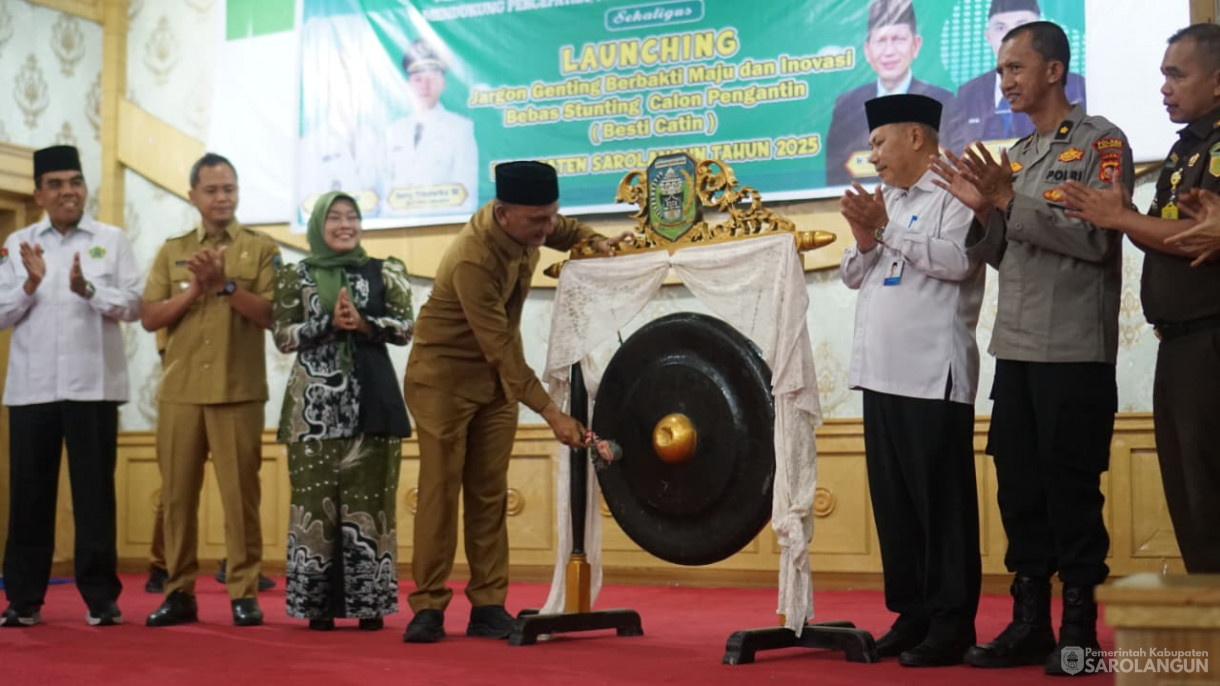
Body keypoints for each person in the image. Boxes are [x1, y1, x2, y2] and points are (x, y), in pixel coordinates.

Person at [930, 21, 1131, 675]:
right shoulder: (1014, 155)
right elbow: (998, 255)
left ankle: (1079, 632)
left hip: (1072, 350)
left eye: (1016, 68)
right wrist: (986, 213)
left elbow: (1098, 239)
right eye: (1000, 70)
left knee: (1070, 493)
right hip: (1014, 348)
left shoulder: (1101, 142)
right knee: (1018, 492)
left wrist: (1008, 201)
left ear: (1053, 70)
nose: (1005, 81)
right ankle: (1028, 623)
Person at [401, 161, 629, 643]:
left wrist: (596, 242)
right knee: (441, 492)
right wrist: (551, 412)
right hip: (443, 380)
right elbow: (499, 346)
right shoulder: (472, 258)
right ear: (503, 214)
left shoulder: (532, 225)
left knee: (488, 494)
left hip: (496, 385)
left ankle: (487, 604)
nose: (547, 230)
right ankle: (428, 606)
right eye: (537, 222)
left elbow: (569, 232)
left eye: (551, 217)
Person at [1056, 23, 1220, 574]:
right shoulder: (1184, 150)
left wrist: (1120, 217)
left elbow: (1202, 239)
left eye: (1177, 74)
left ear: (1217, 82)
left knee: (1210, 493)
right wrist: (1128, 217)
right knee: (1189, 492)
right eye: (1162, 75)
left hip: (1210, 340)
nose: (1164, 87)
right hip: (1178, 343)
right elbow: (1170, 231)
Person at [839, 94, 985, 667]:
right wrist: (867, 235)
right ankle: (912, 614)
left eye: (879, 142)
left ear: (916, 139)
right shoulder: (888, 201)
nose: (872, 155)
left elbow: (957, 262)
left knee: (940, 509)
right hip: (880, 375)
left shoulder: (955, 191)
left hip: (932, 376)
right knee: (895, 507)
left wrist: (888, 231)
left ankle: (952, 624)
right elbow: (856, 276)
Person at [0, 145, 142, 628]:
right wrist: (29, 286)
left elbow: (134, 305)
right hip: (32, 391)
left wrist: (89, 291)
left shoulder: (111, 239)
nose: (68, 191)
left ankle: (101, 597)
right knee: (28, 496)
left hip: (94, 389)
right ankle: (23, 600)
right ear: (39, 193)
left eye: (75, 182)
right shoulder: (19, 243)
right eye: (56, 184)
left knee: (95, 497)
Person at [141, 153, 281, 628]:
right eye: (212, 190)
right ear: (193, 196)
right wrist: (193, 290)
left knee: (241, 498)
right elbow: (149, 317)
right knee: (177, 499)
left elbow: (270, 315)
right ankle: (178, 591)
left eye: (230, 189)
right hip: (179, 392)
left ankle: (243, 591)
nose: (222, 198)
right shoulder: (172, 249)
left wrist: (224, 286)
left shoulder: (261, 249)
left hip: (237, 391)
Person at [273, 191, 414, 631]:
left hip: (371, 403)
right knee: (314, 506)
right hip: (312, 411)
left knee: (369, 506)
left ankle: (369, 605)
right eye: (334, 217)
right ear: (318, 224)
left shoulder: (383, 271)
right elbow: (282, 335)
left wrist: (365, 325)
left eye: (352, 216)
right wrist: (327, 324)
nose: (344, 224)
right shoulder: (296, 275)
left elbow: (406, 326)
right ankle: (318, 609)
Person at [826, 0, 955, 187]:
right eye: (881, 41)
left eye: (898, 40)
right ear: (867, 50)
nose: (889, 52)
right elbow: (835, 174)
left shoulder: (942, 100)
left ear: (916, 44)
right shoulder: (846, 105)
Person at [948, 0, 1086, 153]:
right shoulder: (967, 93)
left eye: (1016, 68)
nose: (1005, 85)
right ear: (988, 36)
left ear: (1053, 72)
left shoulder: (1096, 137)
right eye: (1000, 27)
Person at [384, 39, 479, 216]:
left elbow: (466, 194)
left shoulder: (460, 128)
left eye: (431, 78)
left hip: (441, 226)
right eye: (418, 79)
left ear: (442, 82)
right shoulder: (394, 131)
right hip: (399, 225)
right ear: (408, 84)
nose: (424, 86)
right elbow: (385, 191)